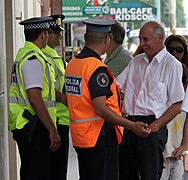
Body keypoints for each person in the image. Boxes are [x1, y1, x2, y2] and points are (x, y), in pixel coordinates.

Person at [65, 17, 151, 180]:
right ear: (107, 39)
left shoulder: (73, 64)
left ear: (85, 38)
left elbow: (69, 97)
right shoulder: (97, 69)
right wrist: (131, 125)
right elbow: (100, 108)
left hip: (81, 137)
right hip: (99, 138)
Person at [116, 21, 185, 180]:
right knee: (126, 174)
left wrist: (155, 126)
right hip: (129, 126)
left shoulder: (172, 65)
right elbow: (116, 86)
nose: (142, 44)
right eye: (140, 39)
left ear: (160, 38)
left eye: (145, 39)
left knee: (149, 176)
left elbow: (178, 103)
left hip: (152, 128)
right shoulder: (136, 61)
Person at [8, 16, 66, 180]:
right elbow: (35, 97)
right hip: (33, 126)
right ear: (43, 35)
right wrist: (52, 130)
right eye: (47, 33)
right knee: (37, 173)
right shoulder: (32, 59)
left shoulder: (25, 54)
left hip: (30, 124)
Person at [42, 14, 70, 180]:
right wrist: (65, 99)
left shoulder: (54, 56)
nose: (60, 35)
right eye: (55, 32)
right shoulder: (45, 56)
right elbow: (45, 91)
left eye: (60, 31)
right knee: (56, 171)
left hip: (61, 120)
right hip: (55, 121)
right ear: (46, 34)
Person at [160, 34, 188, 180]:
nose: (175, 53)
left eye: (179, 49)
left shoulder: (186, 77)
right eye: (170, 50)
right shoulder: (158, 75)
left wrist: (185, 147)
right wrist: (159, 148)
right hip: (162, 149)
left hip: (178, 151)